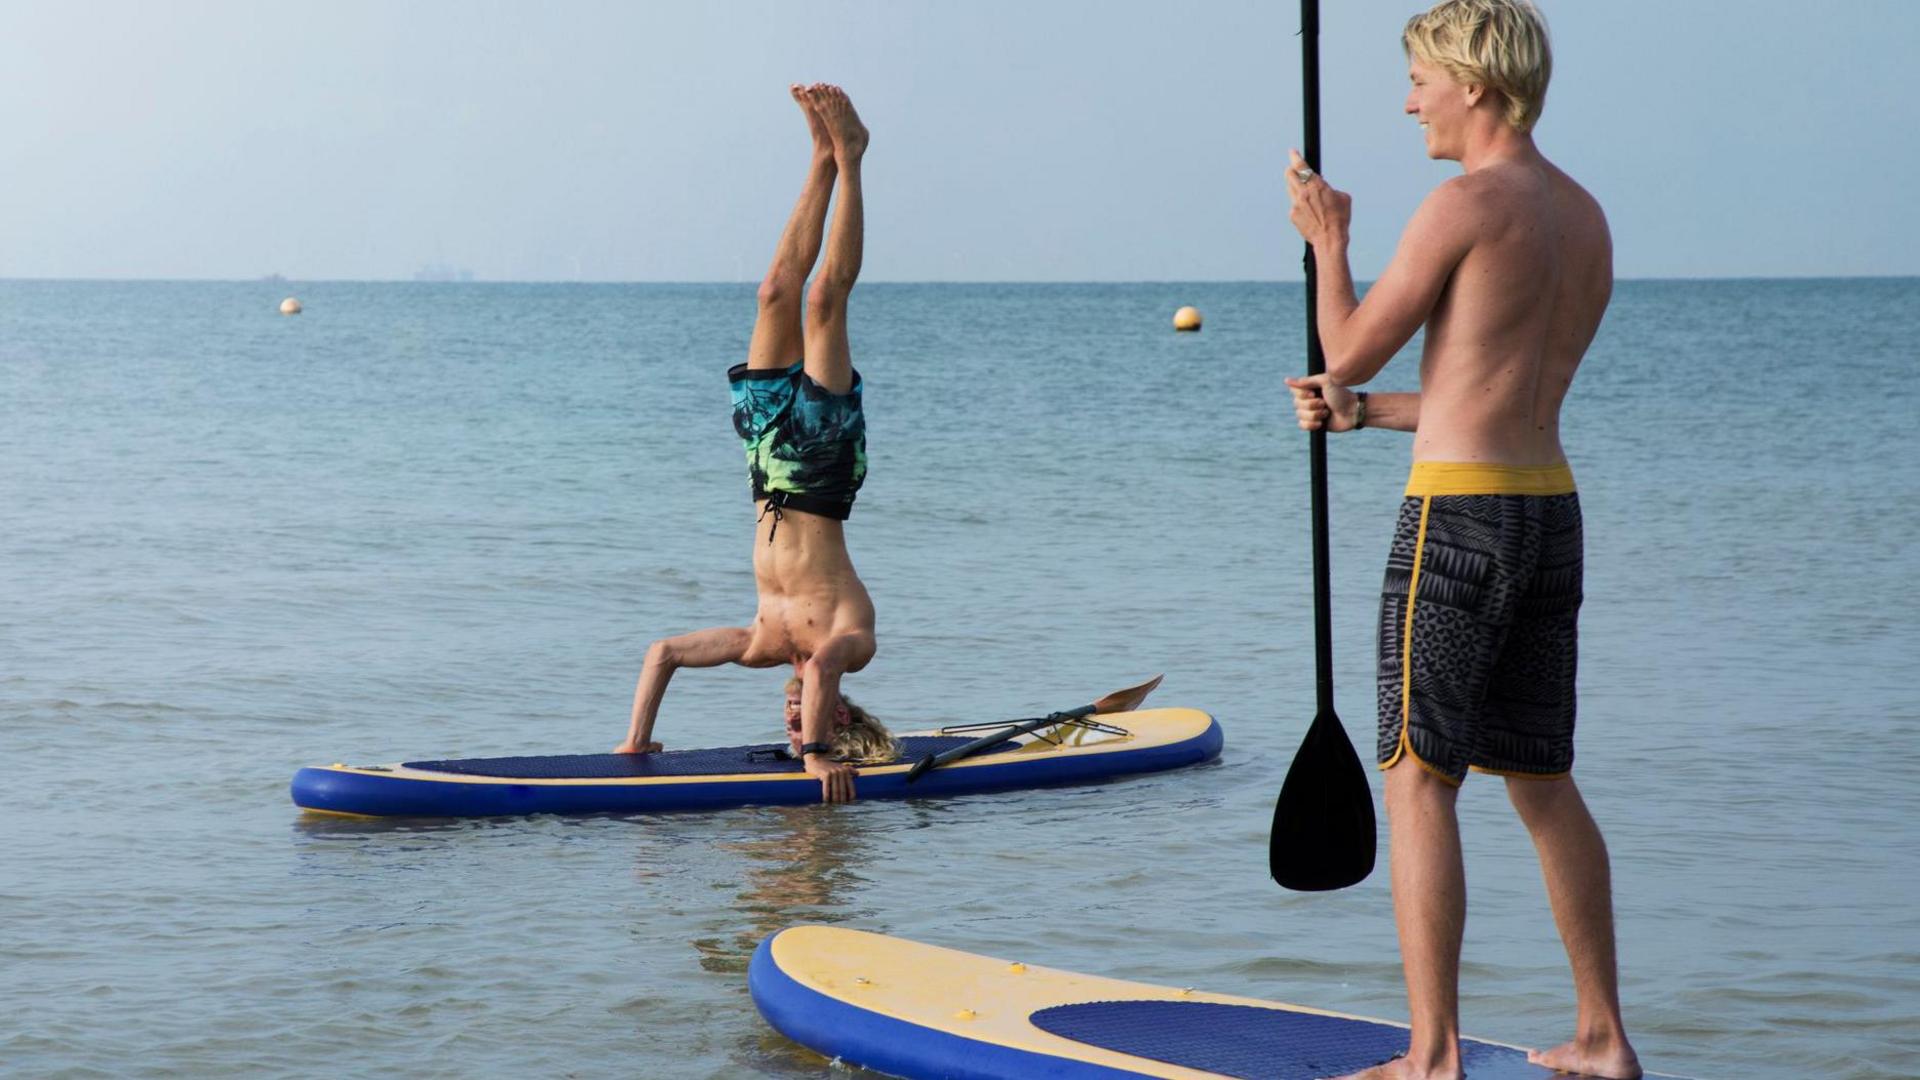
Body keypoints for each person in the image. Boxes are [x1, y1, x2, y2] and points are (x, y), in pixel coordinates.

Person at [1282, 3, 1639, 1077]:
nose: (1408, 101)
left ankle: (1430, 1058)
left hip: (1456, 520)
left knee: (1418, 775)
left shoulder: (1462, 204)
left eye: (1419, 79)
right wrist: (1368, 415)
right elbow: (1488, 383)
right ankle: (1604, 1038)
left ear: (1474, 83)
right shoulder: (1583, 217)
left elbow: (1342, 347)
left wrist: (1329, 241)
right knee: (1540, 778)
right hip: (1547, 510)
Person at [615, 84, 887, 805]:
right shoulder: (853, 640)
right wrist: (818, 758)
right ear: (840, 717)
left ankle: (821, 157)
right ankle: (849, 159)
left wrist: (637, 742)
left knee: (774, 293)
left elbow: (663, 653)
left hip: (765, 464)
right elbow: (825, 668)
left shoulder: (764, 643)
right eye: (806, 721)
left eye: (790, 723)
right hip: (823, 469)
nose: (793, 714)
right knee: (825, 300)